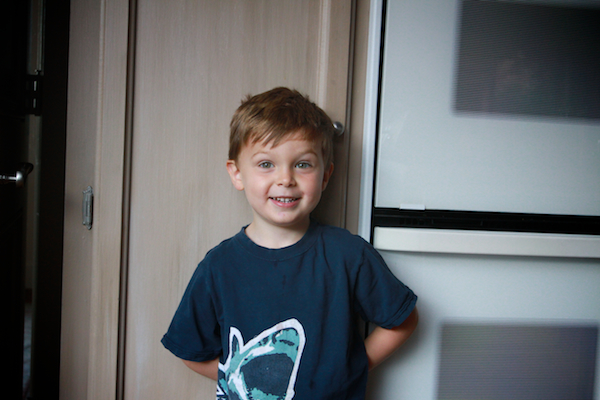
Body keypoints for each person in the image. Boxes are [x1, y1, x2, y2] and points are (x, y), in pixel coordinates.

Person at [161, 87, 418, 399]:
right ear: (237, 173)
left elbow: (403, 321)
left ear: (325, 176)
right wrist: (245, 381)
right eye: (266, 164)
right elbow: (190, 350)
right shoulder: (218, 266)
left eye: (303, 164)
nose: (285, 179)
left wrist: (353, 367)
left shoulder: (349, 255)